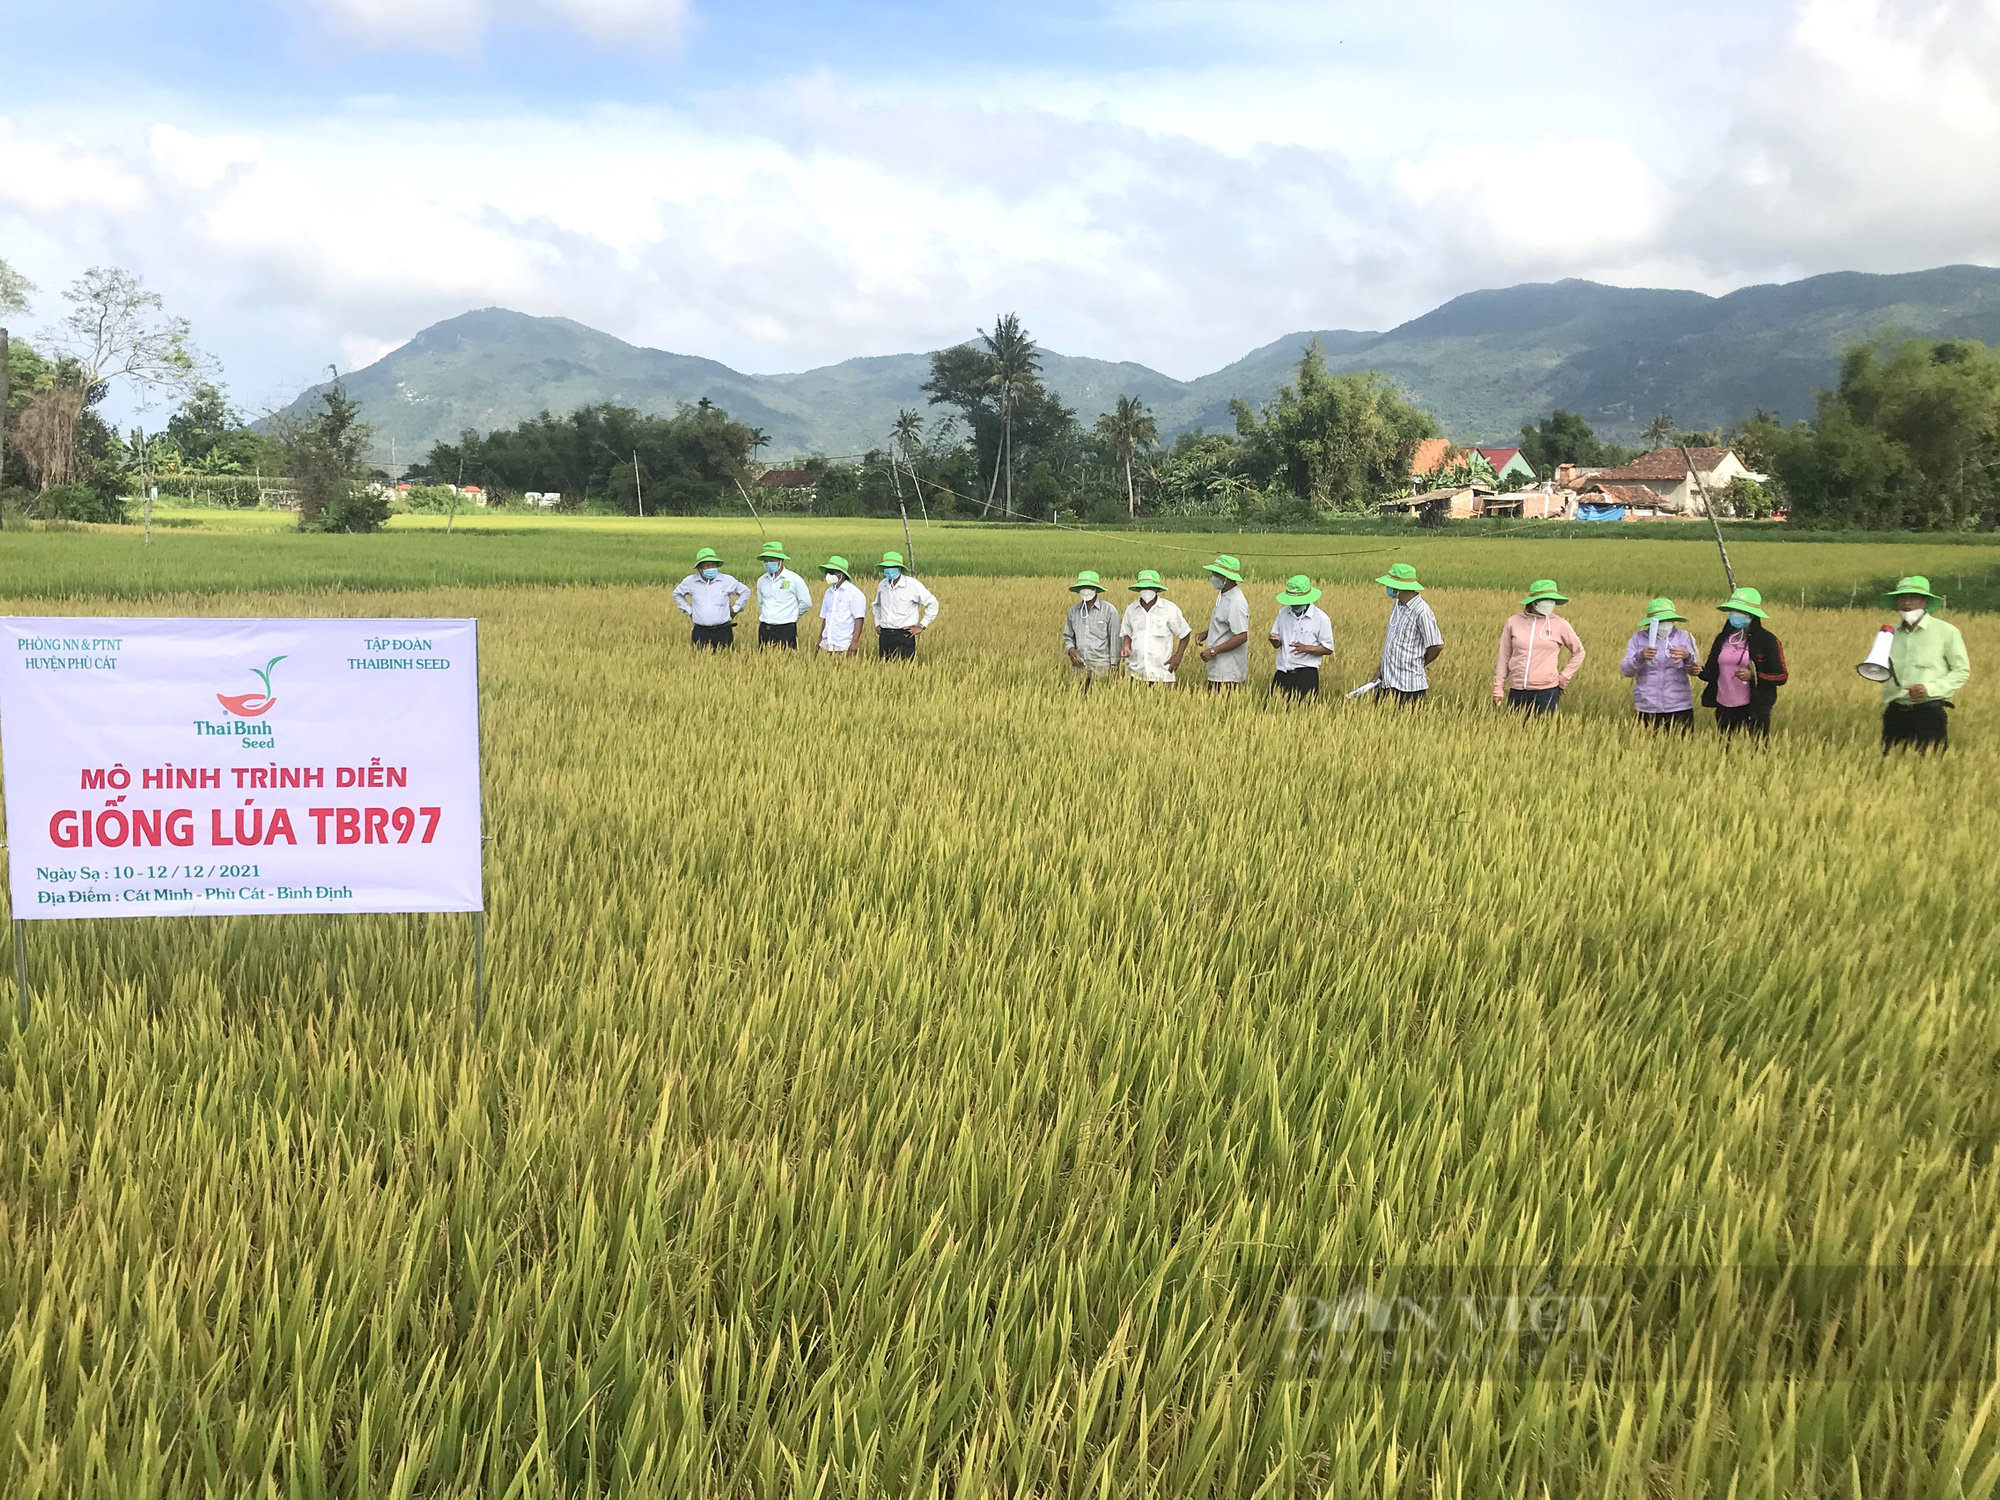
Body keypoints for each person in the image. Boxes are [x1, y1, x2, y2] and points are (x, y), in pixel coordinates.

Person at [1878, 575, 1971, 753]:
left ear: (1925, 601)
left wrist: (1929, 689)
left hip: (1928, 713)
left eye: (1912, 597)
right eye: (1902, 598)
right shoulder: (1889, 633)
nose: (1906, 603)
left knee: (1930, 765)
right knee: (1890, 764)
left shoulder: (1947, 632)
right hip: (1895, 713)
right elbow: (1880, 669)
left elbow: (1961, 671)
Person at [1697, 586, 1788, 737]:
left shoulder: (1767, 641)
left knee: (1756, 749)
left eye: (1740, 612)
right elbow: (1711, 673)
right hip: (1724, 705)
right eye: (1733, 611)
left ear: (1752, 616)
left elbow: (1781, 676)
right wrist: (1697, 670)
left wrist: (1754, 676)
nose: (1735, 615)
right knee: (1724, 749)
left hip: (1754, 707)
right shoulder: (1723, 638)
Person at [1491, 578, 1585, 715]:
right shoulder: (1513, 622)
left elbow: (1579, 652)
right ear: (1533, 602)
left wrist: (1564, 677)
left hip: (1546, 693)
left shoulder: (1560, 624)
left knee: (1543, 731)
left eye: (1551, 599)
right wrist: (1498, 687)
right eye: (1545, 599)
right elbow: (1504, 656)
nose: (1549, 603)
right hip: (1517, 691)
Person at [1618, 598, 1701, 731]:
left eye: (1668, 620)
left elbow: (1695, 670)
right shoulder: (1638, 638)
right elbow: (1626, 670)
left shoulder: (1684, 637)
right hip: (1647, 704)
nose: (1665, 624)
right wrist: (1640, 657)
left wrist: (1687, 657)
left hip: (1679, 705)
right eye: (1661, 621)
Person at [1373, 563, 1443, 704]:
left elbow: (1436, 645)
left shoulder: (1422, 611)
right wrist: (1380, 670)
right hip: (1387, 681)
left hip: (1409, 685)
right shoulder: (1397, 606)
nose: (1387, 589)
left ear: (1398, 587)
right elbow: (1391, 643)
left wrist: (1421, 663)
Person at [1120, 569, 1190, 685]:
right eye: (1143, 588)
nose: (1146, 591)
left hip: (1161, 673)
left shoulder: (1169, 609)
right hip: (1136, 673)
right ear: (1138, 589)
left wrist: (1178, 656)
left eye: (1150, 588)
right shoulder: (1131, 610)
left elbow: (1185, 633)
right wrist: (1126, 646)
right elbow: (1127, 632)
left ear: (1157, 589)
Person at [1269, 575, 1334, 699]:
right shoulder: (1283, 613)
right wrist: (1274, 641)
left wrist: (1306, 648)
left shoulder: (1321, 618)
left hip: (1306, 675)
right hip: (1283, 673)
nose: (1293, 605)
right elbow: (1276, 641)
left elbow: (1328, 648)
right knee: (1273, 711)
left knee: (1303, 713)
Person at [673, 546, 749, 650]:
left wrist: (736, 609)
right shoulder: (690, 582)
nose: (711, 568)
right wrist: (689, 610)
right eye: (707, 566)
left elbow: (745, 591)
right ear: (700, 568)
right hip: (700, 631)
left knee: (724, 660)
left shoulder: (726, 580)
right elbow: (677, 593)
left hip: (723, 630)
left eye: (713, 565)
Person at [1196, 554, 1251, 691]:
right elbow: (1224, 624)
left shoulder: (1236, 602)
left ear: (1226, 578)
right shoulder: (1223, 595)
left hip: (1228, 672)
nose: (1213, 577)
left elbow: (1241, 636)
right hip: (1218, 669)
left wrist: (1213, 651)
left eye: (1216, 574)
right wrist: (1207, 633)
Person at [872, 550, 938, 660]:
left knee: (905, 669)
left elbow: (932, 603)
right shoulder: (882, 585)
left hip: (904, 635)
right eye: (887, 567)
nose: (889, 570)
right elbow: (877, 605)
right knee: (884, 670)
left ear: (899, 569)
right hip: (885, 635)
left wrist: (922, 626)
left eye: (892, 567)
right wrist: (878, 623)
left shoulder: (912, 585)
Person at [751, 541, 812, 649]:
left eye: (772, 560)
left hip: (786, 629)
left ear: (781, 561)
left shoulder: (794, 579)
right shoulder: (761, 580)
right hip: (765, 628)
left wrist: (792, 615)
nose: (769, 563)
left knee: (786, 660)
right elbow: (762, 602)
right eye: (766, 561)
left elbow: (806, 603)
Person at [1062, 569, 1120, 680]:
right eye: (1083, 588)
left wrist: (1115, 668)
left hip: (1102, 669)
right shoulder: (1073, 612)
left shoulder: (1109, 611)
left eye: (1089, 587)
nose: (1085, 591)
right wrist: (1071, 649)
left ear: (1095, 589)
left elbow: (1115, 641)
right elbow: (1068, 637)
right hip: (1080, 669)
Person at [816, 555, 868, 656]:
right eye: (828, 572)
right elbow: (825, 618)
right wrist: (820, 640)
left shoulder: (854, 593)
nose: (829, 575)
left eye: (832, 572)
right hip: (827, 644)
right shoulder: (828, 593)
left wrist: (854, 643)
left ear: (841, 574)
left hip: (844, 645)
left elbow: (859, 619)